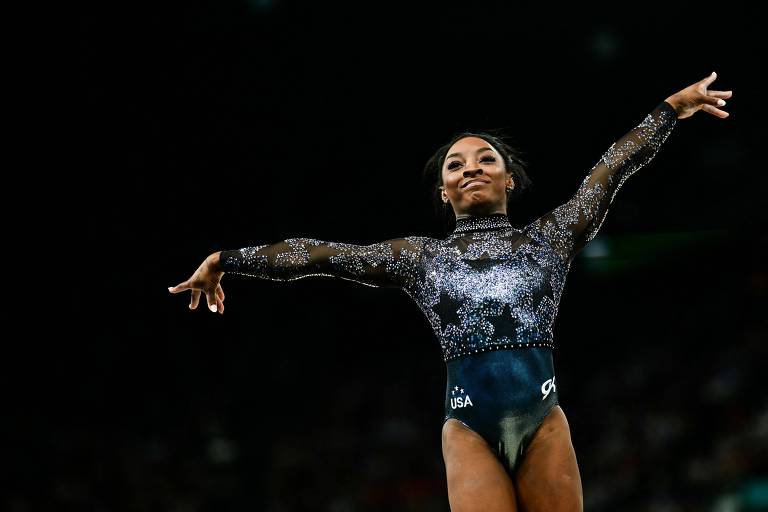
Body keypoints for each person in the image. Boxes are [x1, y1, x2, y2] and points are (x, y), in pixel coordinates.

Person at [169, 72, 732, 511]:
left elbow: (610, 171)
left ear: (510, 179)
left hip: (544, 420)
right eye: (455, 165)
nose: (470, 168)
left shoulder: (551, 238)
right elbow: (321, 256)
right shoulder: (421, 258)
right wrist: (228, 260)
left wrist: (670, 111)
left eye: (486, 158)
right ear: (443, 191)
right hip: (468, 429)